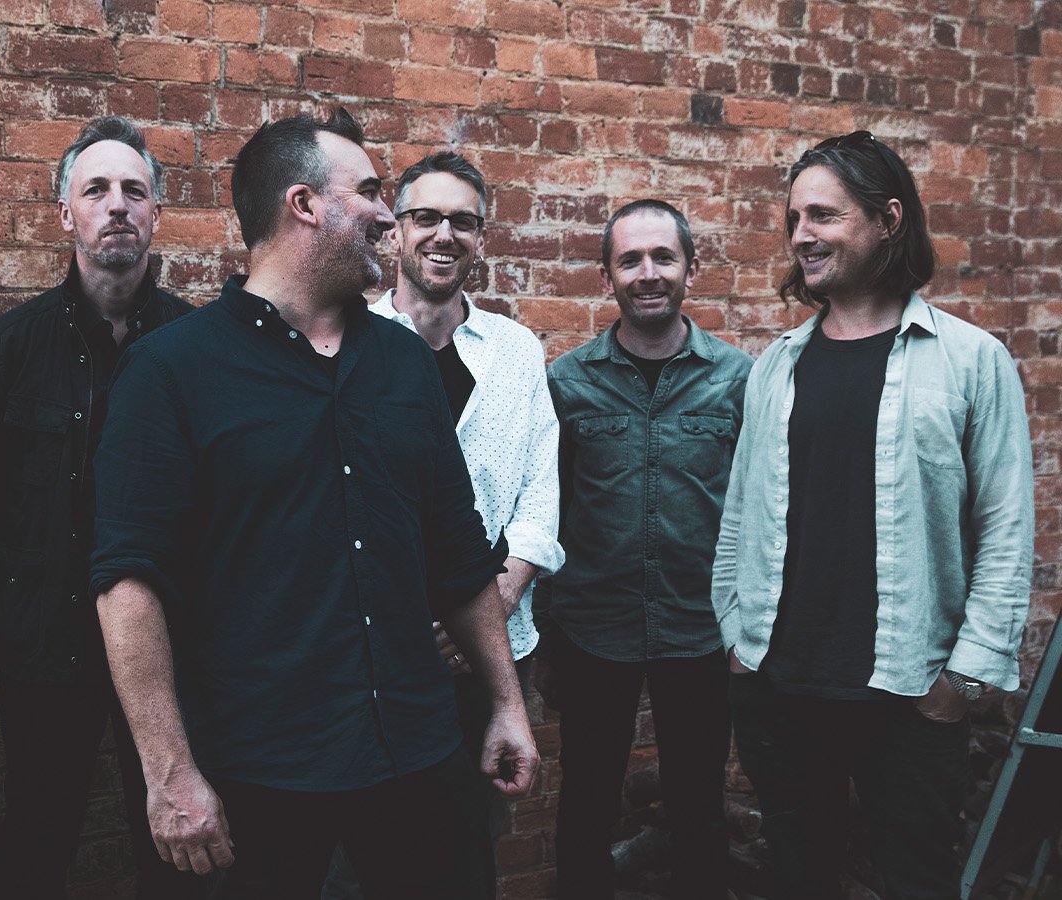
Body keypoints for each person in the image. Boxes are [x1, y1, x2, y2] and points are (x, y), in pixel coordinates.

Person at [90, 108, 539, 900]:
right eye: (368, 192)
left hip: (416, 758)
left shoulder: (404, 362)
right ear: (302, 204)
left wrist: (506, 703)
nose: (385, 215)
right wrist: (169, 772)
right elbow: (129, 583)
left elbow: (459, 551)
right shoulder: (172, 369)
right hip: (256, 772)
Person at [713, 132, 1034, 900]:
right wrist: (735, 639)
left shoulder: (972, 360)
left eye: (823, 215)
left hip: (910, 696)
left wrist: (961, 682)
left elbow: (1005, 530)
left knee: (918, 884)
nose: (801, 235)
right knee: (798, 881)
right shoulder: (777, 364)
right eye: (794, 218)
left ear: (888, 219)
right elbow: (740, 516)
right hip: (781, 689)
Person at [0, 116, 197, 899]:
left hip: (173, 645)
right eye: (96, 190)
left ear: (155, 213)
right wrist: (36, 568)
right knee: (37, 837)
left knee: (179, 844)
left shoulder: (199, 347)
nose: (117, 204)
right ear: (65, 214)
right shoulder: (8, 348)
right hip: (48, 641)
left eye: (134, 190)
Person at [535, 200, 752, 899]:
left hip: (701, 629)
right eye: (630, 260)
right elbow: (546, 512)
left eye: (663, 256)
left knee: (698, 803)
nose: (648, 273)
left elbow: (758, 512)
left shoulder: (738, 379)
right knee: (586, 800)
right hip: (593, 629)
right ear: (607, 277)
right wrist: (547, 633)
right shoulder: (568, 382)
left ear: (692, 267)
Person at [362, 150, 564, 895]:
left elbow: (540, 498)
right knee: (371, 850)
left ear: (481, 238)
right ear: (394, 231)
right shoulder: (351, 341)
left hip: (492, 650)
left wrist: (491, 604)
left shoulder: (515, 351)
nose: (444, 234)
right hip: (375, 653)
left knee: (469, 846)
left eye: (463, 221)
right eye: (426, 217)